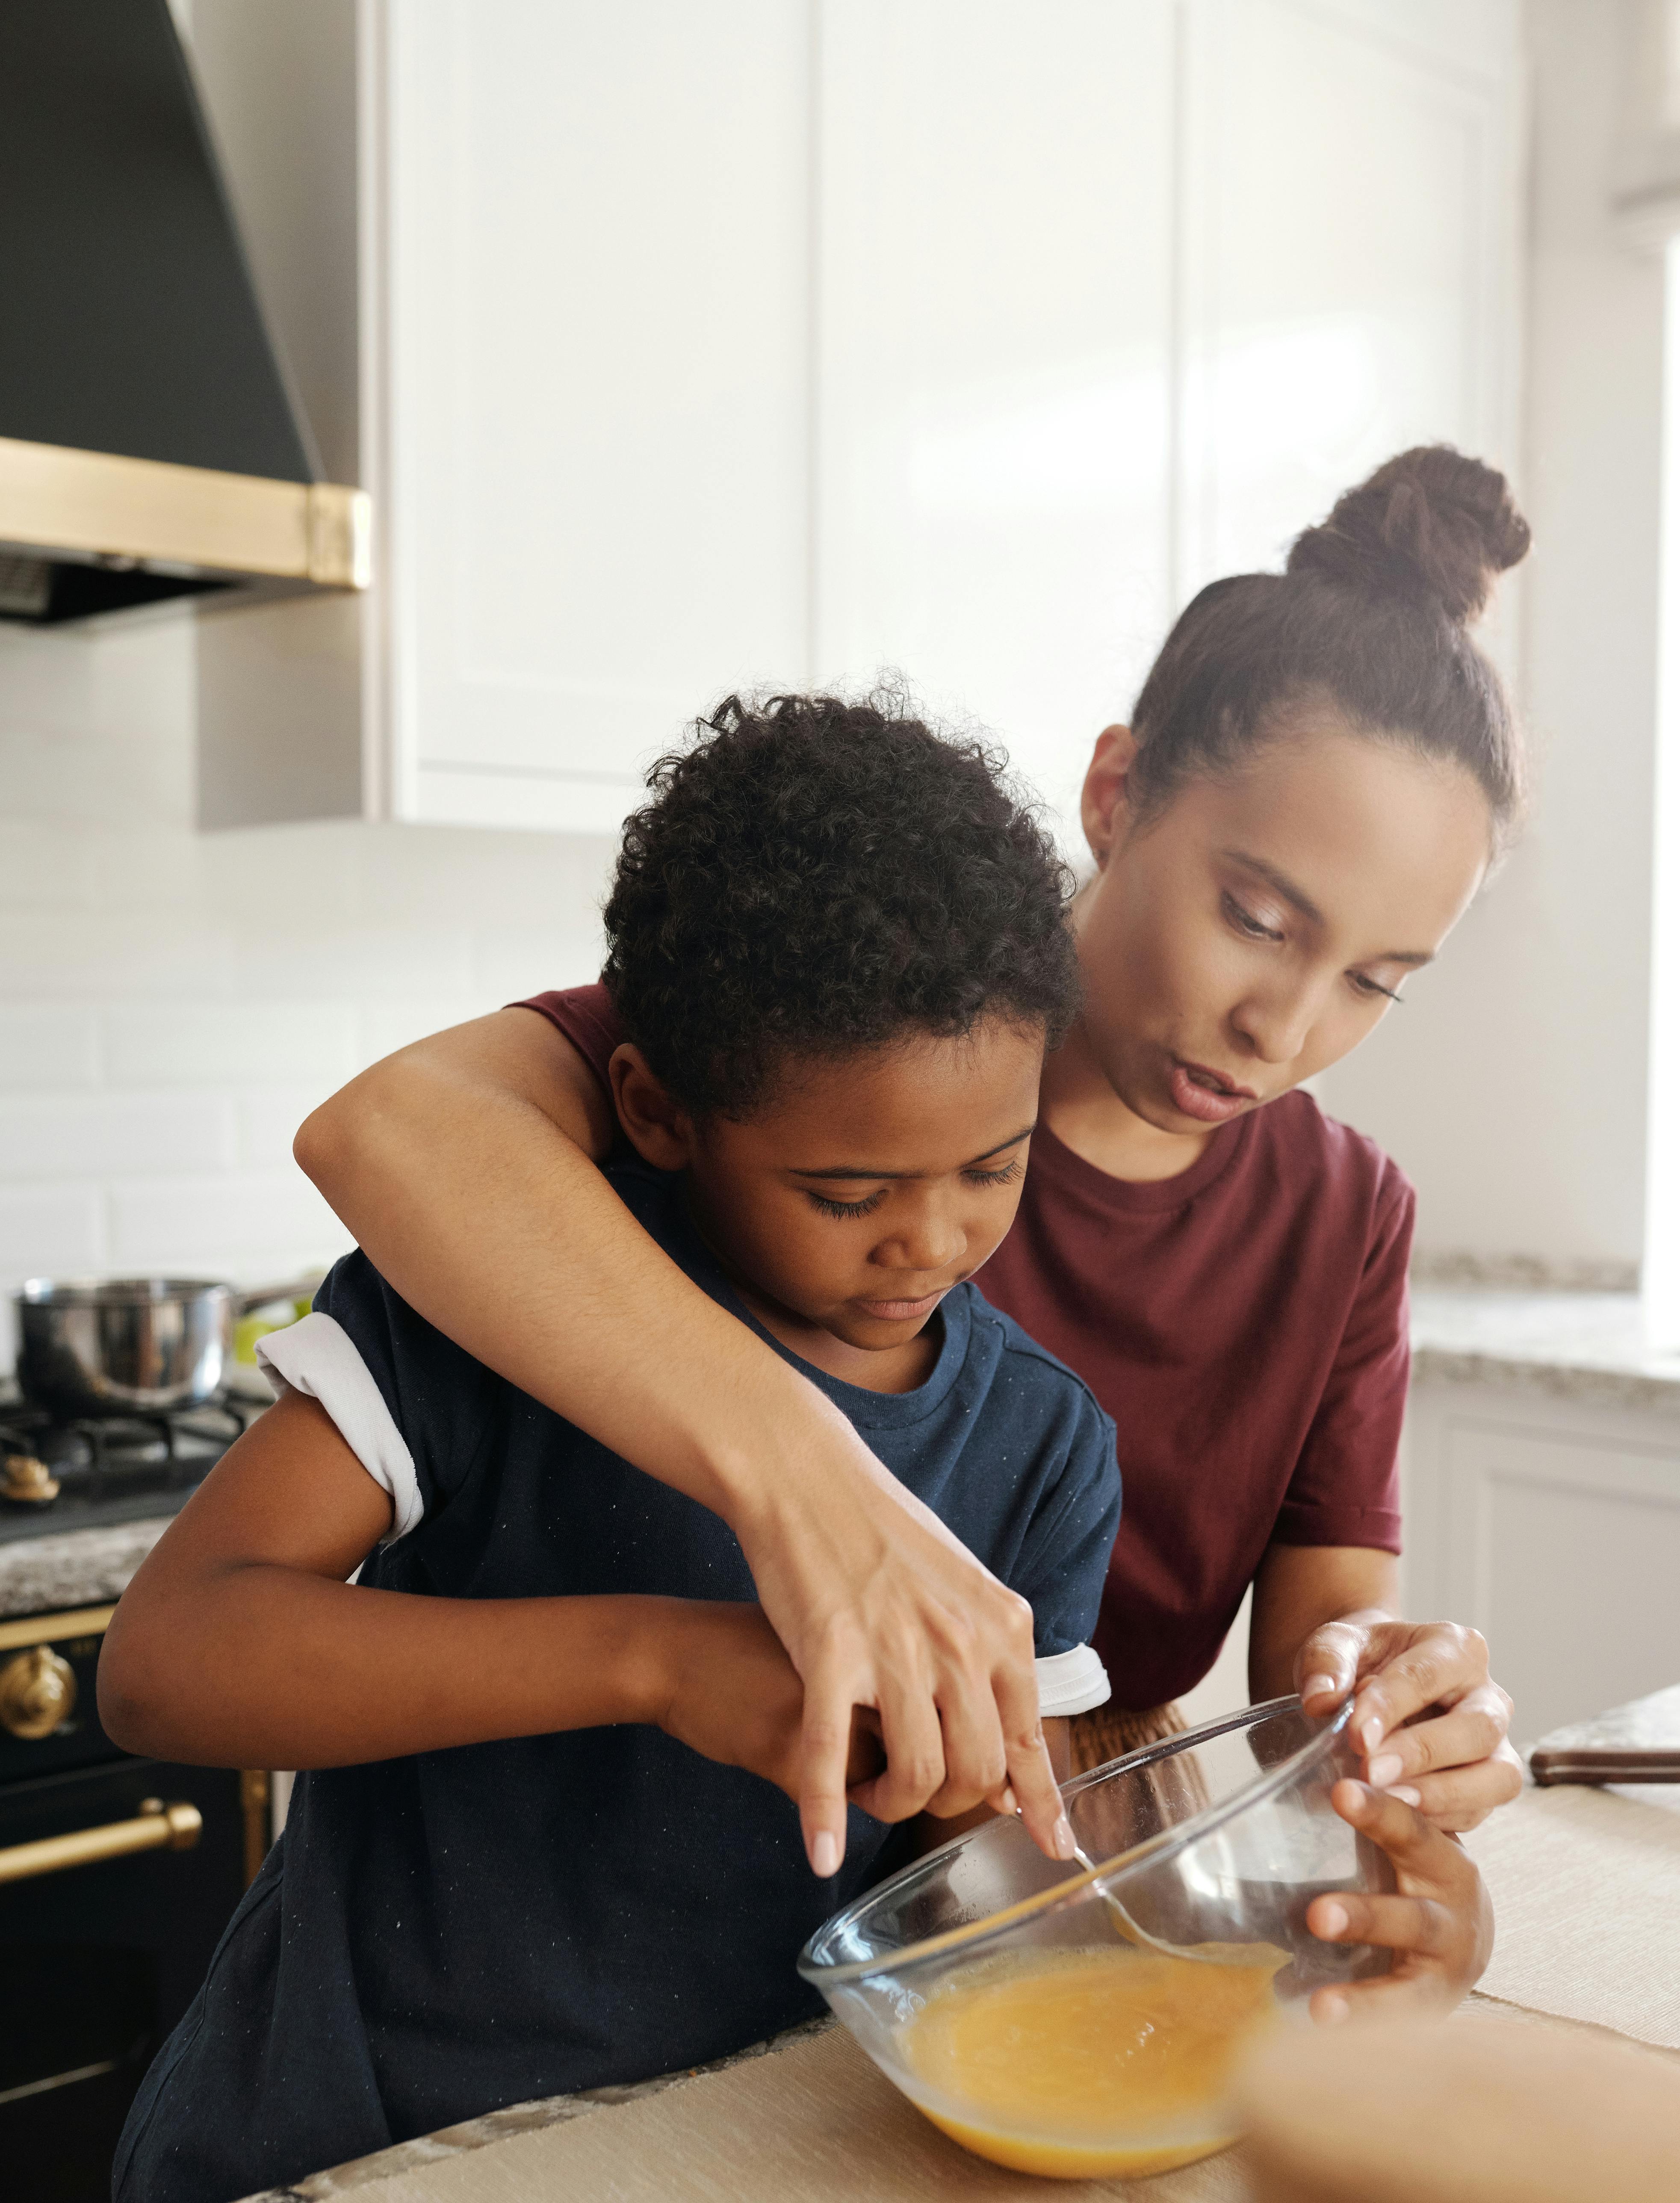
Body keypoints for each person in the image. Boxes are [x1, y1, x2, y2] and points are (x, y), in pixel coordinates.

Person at [295, 446, 1527, 1871]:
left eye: (1377, 980)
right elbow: (384, 1130)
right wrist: (820, 1487)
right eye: (1256, 916)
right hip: (634, 1875)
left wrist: (1394, 1707)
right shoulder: (836, 1027)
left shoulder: (1347, 1217)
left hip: (1023, 1888)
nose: (1287, 1027)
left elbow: (1308, 1664)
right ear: (1118, 793)